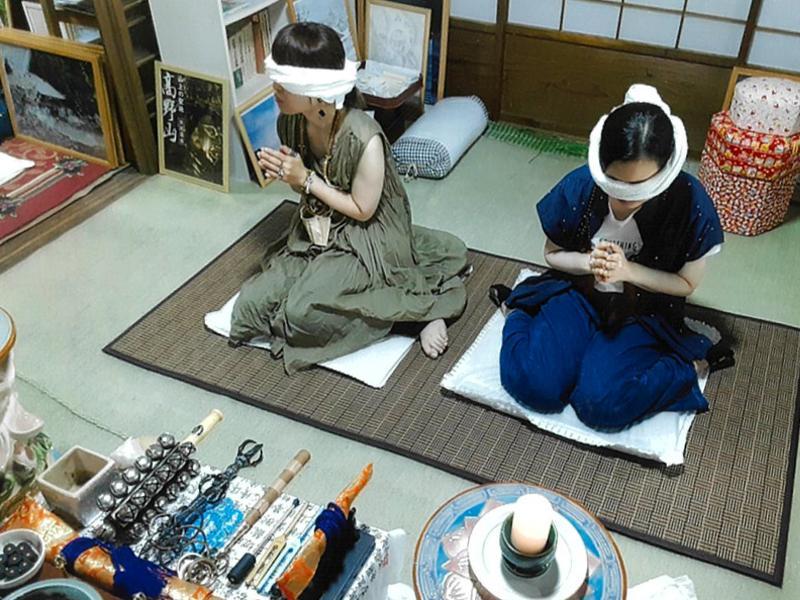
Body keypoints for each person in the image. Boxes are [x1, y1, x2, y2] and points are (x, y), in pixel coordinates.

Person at [229, 22, 468, 374]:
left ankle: (419, 315)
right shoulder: (290, 121)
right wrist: (292, 177)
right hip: (317, 227)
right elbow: (307, 188)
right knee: (249, 309)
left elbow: (363, 210)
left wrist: (305, 179)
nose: (275, 89)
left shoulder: (363, 137)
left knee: (301, 315)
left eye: (283, 83)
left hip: (366, 235)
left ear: (316, 90)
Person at [495, 84, 732, 431]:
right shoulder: (581, 185)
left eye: (640, 189)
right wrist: (587, 263)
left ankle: (688, 369)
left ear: (665, 170)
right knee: (535, 387)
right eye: (615, 185)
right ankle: (517, 312)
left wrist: (629, 270)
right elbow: (551, 254)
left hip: (645, 308)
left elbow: (686, 284)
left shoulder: (690, 201)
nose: (625, 199)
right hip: (578, 292)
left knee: (601, 406)